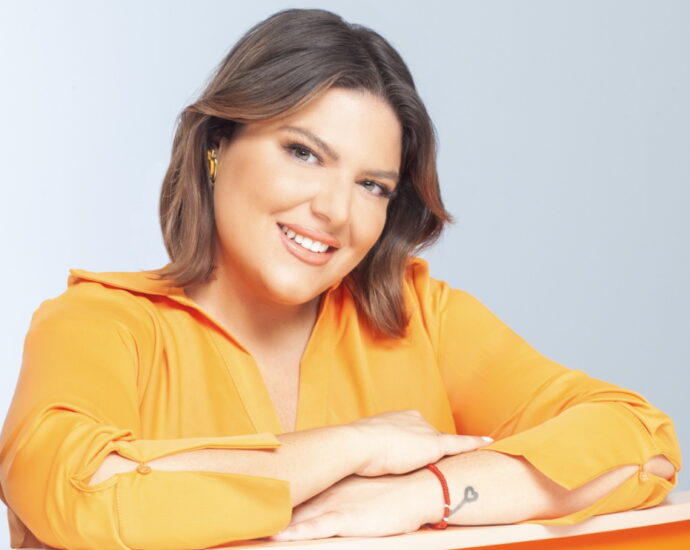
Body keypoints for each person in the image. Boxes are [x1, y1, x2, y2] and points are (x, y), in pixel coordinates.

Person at [0, 8, 681, 550]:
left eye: (371, 185)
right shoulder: (101, 322)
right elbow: (72, 488)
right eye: (303, 153)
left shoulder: (421, 317)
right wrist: (355, 447)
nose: (335, 211)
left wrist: (425, 492)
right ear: (216, 148)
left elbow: (639, 445)